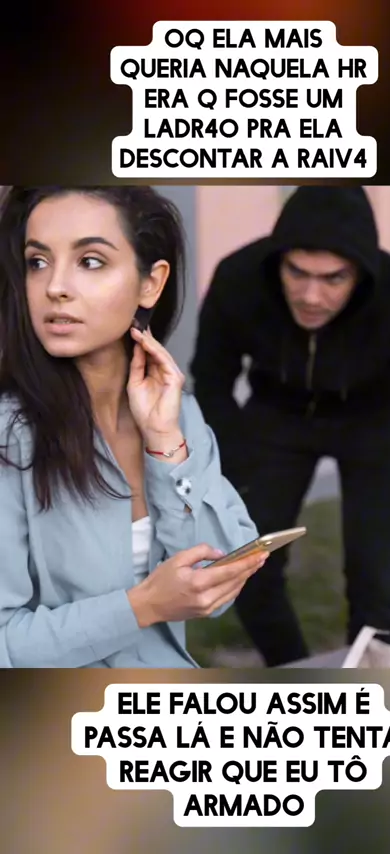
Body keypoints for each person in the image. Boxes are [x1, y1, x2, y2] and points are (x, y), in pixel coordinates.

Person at [190, 185, 390, 667]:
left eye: (334, 278)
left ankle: (364, 684)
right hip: (278, 410)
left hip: (372, 418)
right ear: (278, 259)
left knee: (375, 579)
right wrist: (235, 468)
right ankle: (295, 673)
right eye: (297, 272)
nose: (311, 296)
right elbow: (211, 382)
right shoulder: (239, 278)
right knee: (244, 561)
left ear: (361, 271)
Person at [0, 185, 267, 669]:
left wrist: (165, 443)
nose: (55, 286)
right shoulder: (9, 435)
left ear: (151, 283)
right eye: (37, 262)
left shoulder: (177, 414)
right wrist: (143, 607)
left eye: (90, 261)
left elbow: (216, 584)